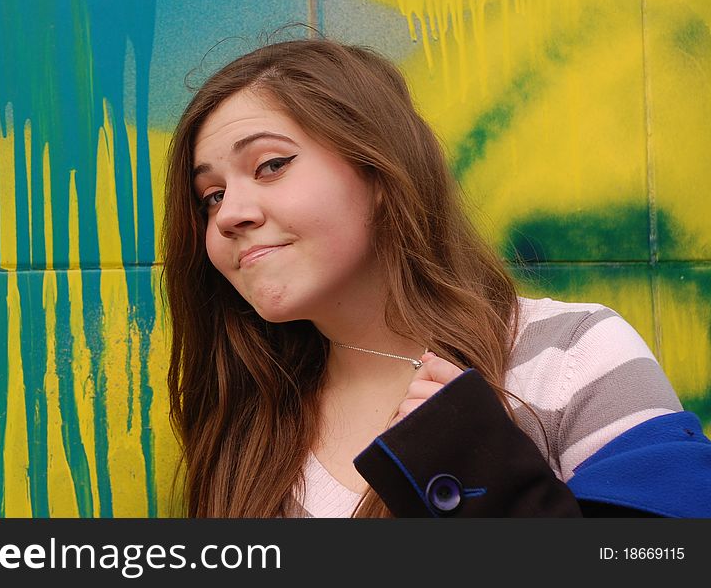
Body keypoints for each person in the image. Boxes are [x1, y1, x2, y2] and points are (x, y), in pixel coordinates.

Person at [161, 37, 711, 517]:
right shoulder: (249, 425)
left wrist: (491, 492)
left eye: (270, 165)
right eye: (211, 196)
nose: (230, 214)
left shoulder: (571, 358)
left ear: (379, 169)